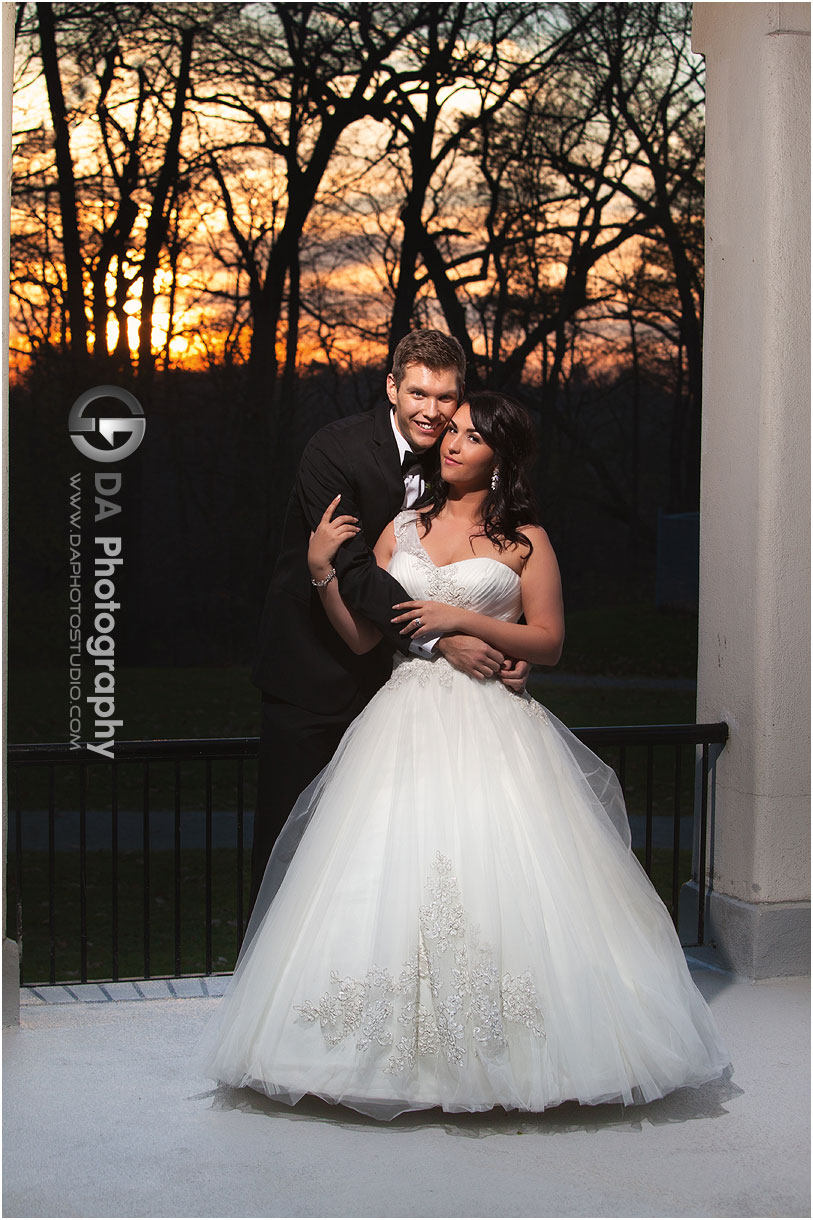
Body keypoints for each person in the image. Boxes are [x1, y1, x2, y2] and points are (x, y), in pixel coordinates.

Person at [201, 391, 731, 1120]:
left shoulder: (526, 539)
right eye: (449, 431)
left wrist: (462, 620)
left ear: (501, 456)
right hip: (403, 719)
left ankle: (513, 1055)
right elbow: (361, 639)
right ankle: (374, 1053)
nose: (451, 443)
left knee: (500, 877)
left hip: (494, 728)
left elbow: (546, 640)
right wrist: (325, 570)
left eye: (472, 436)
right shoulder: (400, 526)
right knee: (385, 879)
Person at [248, 331, 527, 909]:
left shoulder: (456, 459)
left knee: (384, 857)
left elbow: (492, 559)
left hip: (400, 694)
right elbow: (353, 571)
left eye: (446, 397)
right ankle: (269, 988)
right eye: (419, 393)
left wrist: (506, 642)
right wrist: (441, 640)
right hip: (315, 676)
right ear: (392, 387)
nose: (432, 411)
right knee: (290, 845)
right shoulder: (334, 450)